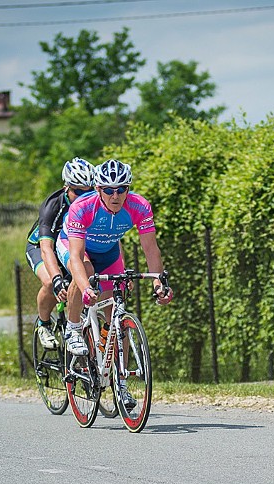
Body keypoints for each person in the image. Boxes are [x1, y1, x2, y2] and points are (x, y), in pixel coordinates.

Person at [57, 159, 173, 407]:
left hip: (109, 253)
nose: (116, 195)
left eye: (122, 189)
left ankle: (120, 383)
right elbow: (76, 258)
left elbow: (151, 250)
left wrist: (158, 283)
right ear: (98, 189)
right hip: (74, 247)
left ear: (128, 189)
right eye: (109, 190)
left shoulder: (139, 207)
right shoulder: (82, 207)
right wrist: (87, 288)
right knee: (85, 271)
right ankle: (74, 328)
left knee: (117, 316)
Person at [25, 157, 95, 349]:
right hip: (41, 247)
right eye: (78, 191)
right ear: (66, 187)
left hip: (68, 247)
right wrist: (56, 278)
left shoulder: (94, 205)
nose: (83, 196)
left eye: (88, 191)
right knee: (49, 282)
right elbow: (46, 248)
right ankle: (44, 324)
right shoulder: (53, 206)